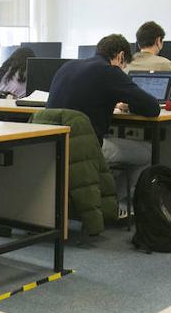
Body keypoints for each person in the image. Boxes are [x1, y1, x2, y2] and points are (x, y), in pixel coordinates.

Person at [46, 34, 160, 208]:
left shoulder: (67, 66)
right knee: (148, 152)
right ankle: (112, 202)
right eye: (124, 64)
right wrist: (129, 105)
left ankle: (99, 195)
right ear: (121, 56)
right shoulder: (109, 71)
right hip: (86, 149)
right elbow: (153, 108)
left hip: (55, 145)